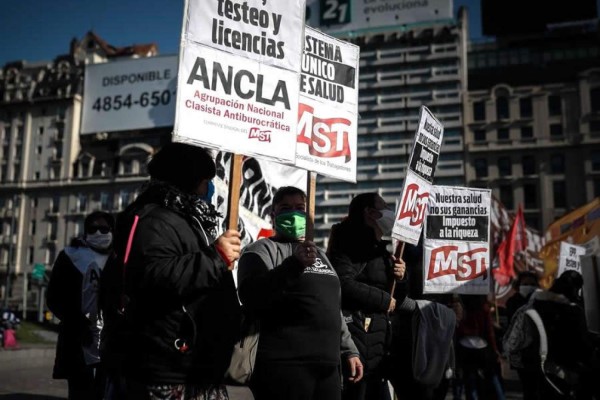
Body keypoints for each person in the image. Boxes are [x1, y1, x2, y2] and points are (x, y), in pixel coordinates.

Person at [102, 142, 242, 399]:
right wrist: (216, 257)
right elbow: (154, 276)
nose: (208, 187)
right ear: (187, 180)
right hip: (167, 368)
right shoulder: (155, 220)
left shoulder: (180, 218)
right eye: (204, 180)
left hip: (193, 366)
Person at [237, 186, 363, 400]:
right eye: (286, 207)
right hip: (284, 366)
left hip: (328, 370)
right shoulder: (261, 250)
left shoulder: (320, 254)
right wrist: (293, 265)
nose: (294, 213)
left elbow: (333, 307)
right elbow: (251, 296)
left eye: (300, 208)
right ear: (273, 215)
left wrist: (349, 350)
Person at [326, 192, 407, 400]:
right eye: (385, 206)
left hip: (378, 350)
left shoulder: (381, 251)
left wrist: (402, 276)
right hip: (358, 345)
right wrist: (383, 300)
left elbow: (398, 298)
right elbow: (342, 283)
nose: (390, 211)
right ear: (370, 213)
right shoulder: (348, 244)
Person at [47, 210, 115, 400]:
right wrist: (76, 321)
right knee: (79, 390)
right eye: (93, 229)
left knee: (104, 390)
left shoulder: (117, 258)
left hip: (109, 338)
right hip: (78, 336)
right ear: (85, 231)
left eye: (104, 228)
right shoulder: (70, 256)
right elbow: (53, 297)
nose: (99, 233)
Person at [455, 295, 505, 400]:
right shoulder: (484, 308)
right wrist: (495, 350)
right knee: (492, 376)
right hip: (482, 346)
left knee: (468, 379)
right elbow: (489, 332)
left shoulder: (458, 307)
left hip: (464, 347)